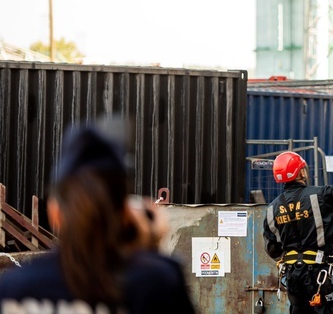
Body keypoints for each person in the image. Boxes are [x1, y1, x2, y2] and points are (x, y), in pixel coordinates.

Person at [0, 120, 195, 314]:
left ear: (54, 213)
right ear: (125, 213)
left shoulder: (15, 289)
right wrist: (151, 246)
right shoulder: (157, 283)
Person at [263, 148, 333, 313]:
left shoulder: (272, 209)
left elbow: (272, 248)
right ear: (301, 173)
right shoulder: (319, 195)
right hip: (320, 275)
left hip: (293, 278)